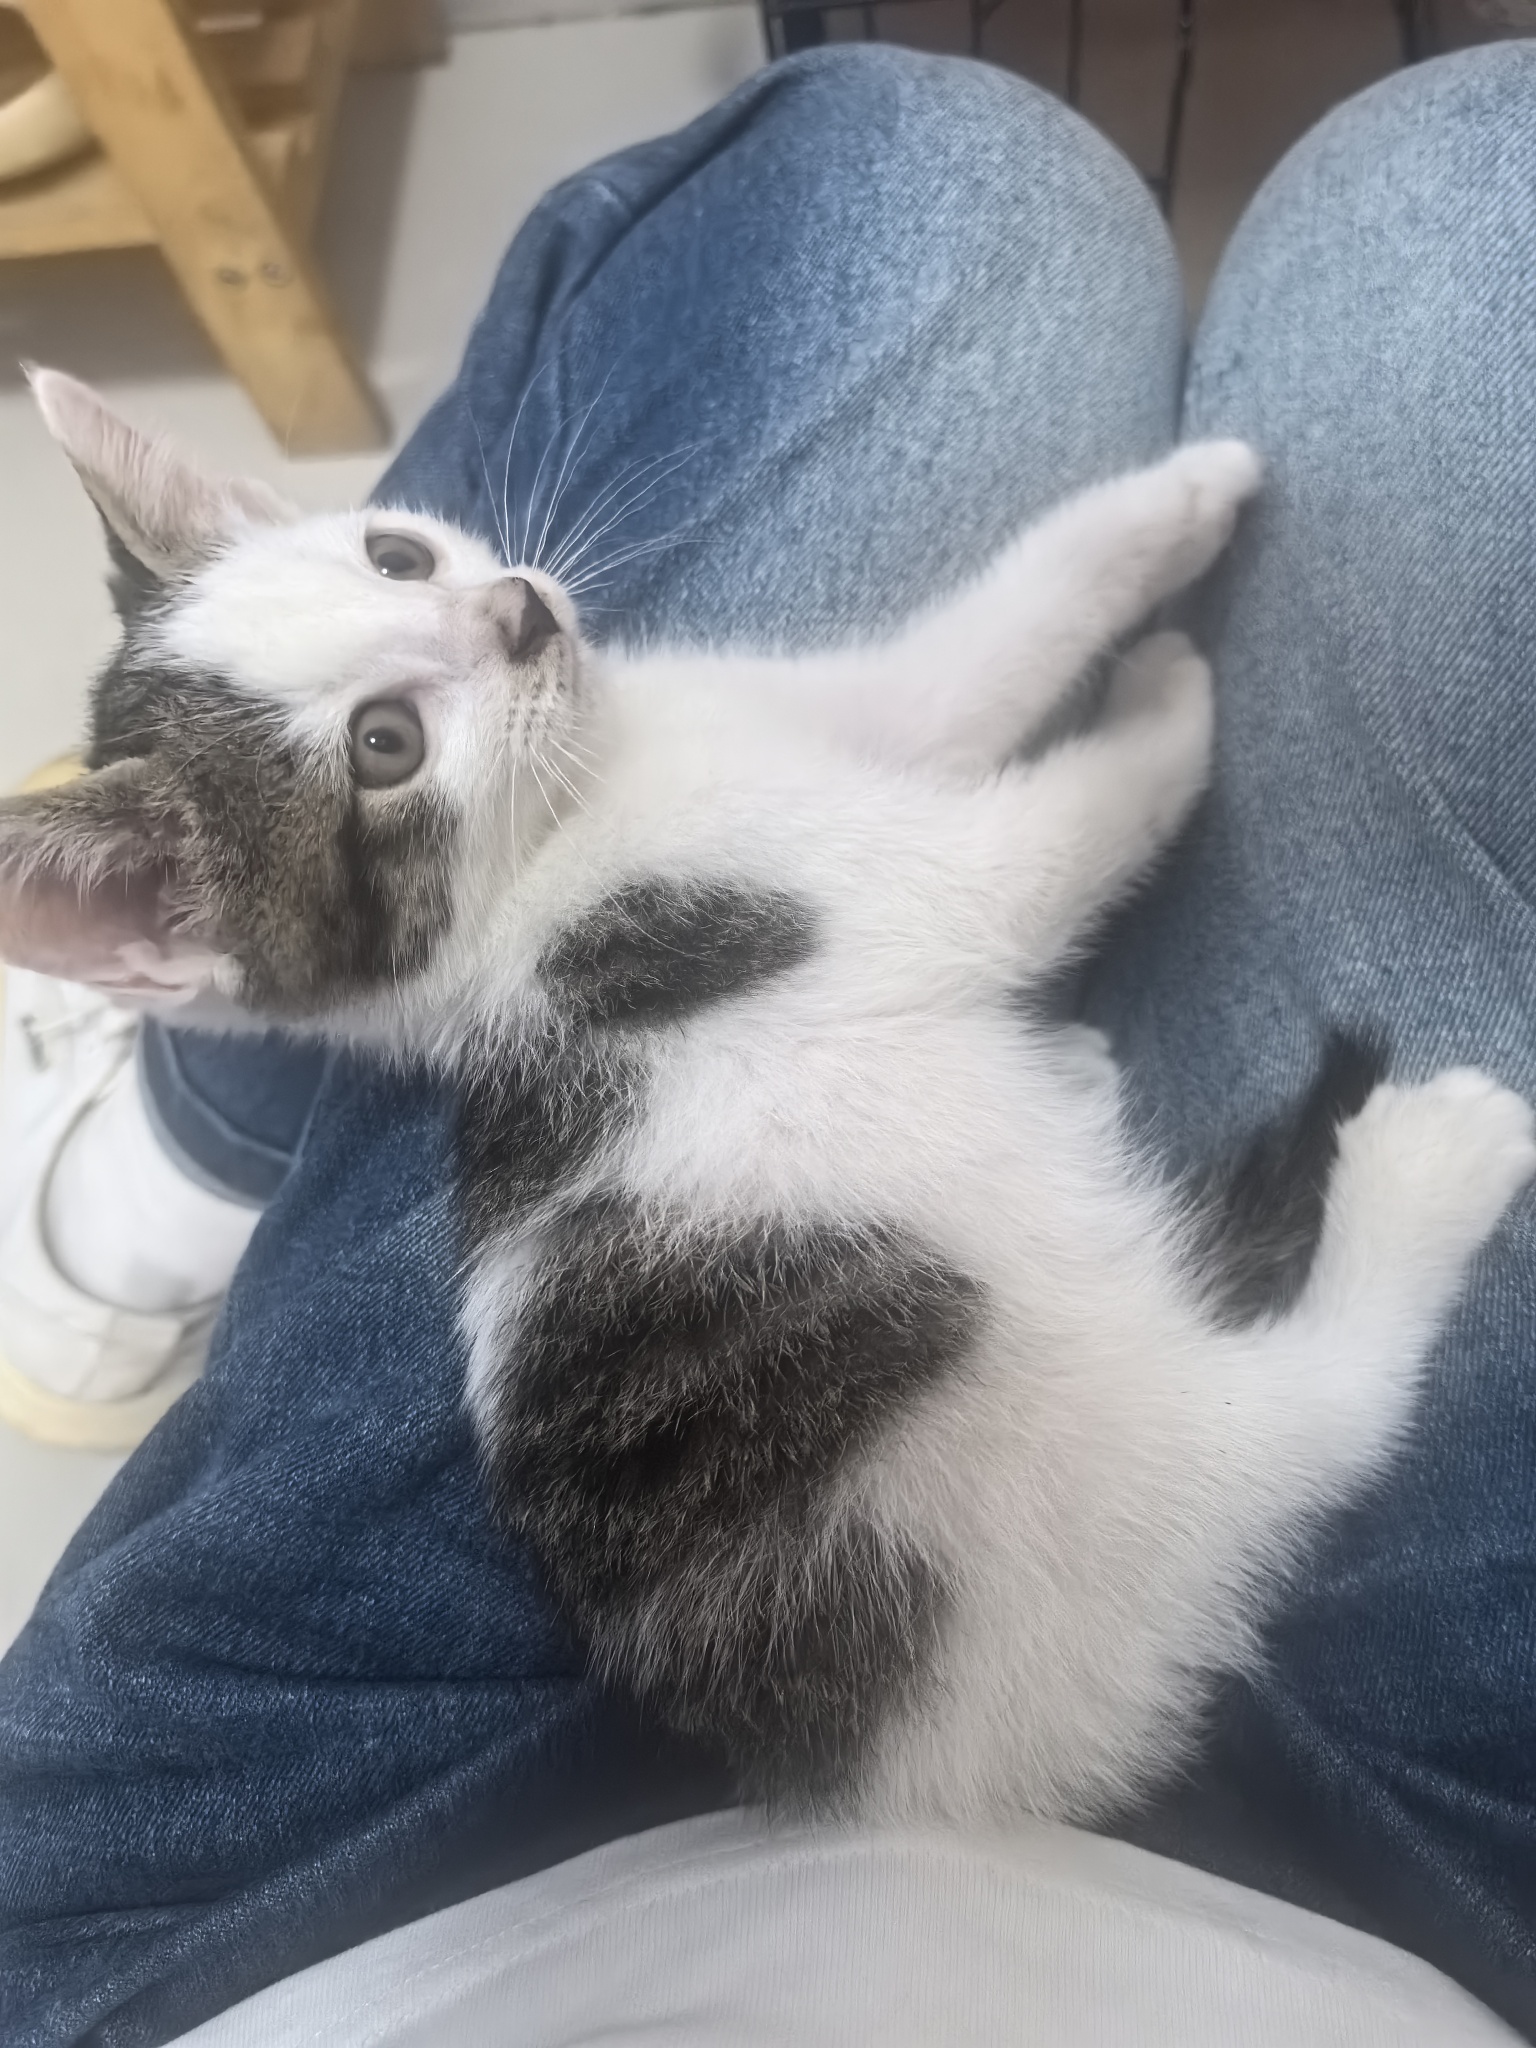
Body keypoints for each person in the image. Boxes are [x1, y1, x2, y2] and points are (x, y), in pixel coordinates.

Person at [3, 35, 1535, 2048]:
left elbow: (899, 707)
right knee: (1445, 196)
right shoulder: (583, 913)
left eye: (395, 554)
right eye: (386, 741)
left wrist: (1119, 568)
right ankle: (1359, 1309)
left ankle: (167, 1180)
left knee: (925, 152)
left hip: (279, 1887)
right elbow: (977, 888)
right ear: (181, 936)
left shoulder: (567, 796)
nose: (496, 620)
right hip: (1057, 1713)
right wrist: (1161, 751)